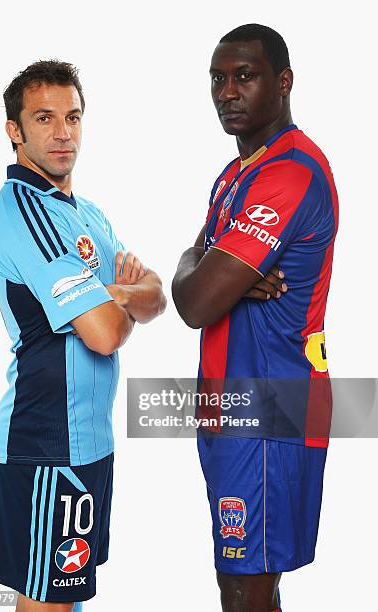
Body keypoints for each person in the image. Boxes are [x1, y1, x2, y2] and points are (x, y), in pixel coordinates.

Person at [0, 60, 166, 612]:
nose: (63, 132)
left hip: (90, 441)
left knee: (73, 597)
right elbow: (106, 335)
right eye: (44, 118)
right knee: (48, 601)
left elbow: (157, 295)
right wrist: (119, 297)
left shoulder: (86, 214)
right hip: (44, 441)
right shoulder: (21, 212)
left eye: (73, 117)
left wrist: (112, 293)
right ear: (15, 131)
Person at [172, 24, 338, 612]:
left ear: (284, 82)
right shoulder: (235, 173)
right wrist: (206, 265)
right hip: (226, 400)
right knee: (239, 578)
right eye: (218, 79)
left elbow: (194, 303)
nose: (227, 92)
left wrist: (213, 273)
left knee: (247, 581)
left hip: (270, 402)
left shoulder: (290, 172)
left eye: (245, 76)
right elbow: (193, 271)